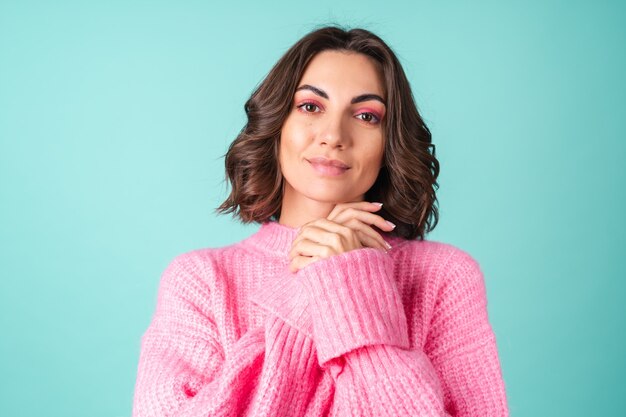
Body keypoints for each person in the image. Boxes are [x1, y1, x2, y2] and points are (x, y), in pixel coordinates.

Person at [131, 26, 510, 416]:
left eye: (366, 115)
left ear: (389, 142)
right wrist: (310, 286)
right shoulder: (202, 279)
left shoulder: (444, 277)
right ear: (277, 124)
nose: (333, 135)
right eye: (311, 107)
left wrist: (351, 282)